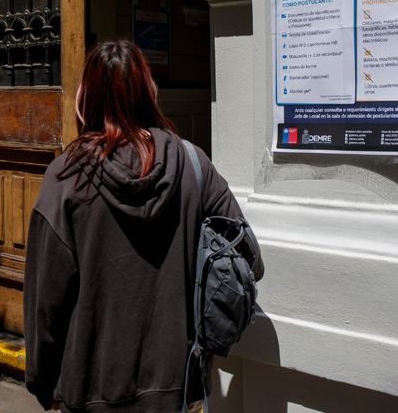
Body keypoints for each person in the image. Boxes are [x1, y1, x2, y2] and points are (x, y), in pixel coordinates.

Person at [23, 39, 264, 412]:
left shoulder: (66, 177)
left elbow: (46, 301)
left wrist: (43, 383)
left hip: (89, 392)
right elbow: (248, 259)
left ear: (85, 95)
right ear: (149, 92)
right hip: (179, 388)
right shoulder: (193, 165)